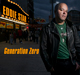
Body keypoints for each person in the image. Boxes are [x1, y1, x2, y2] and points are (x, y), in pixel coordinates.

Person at [40, 3, 80, 75]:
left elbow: (78, 45)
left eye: (66, 11)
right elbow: (43, 49)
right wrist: (49, 66)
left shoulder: (72, 27)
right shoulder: (47, 28)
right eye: (61, 10)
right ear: (55, 12)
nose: (64, 13)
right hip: (56, 65)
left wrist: (79, 62)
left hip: (72, 63)